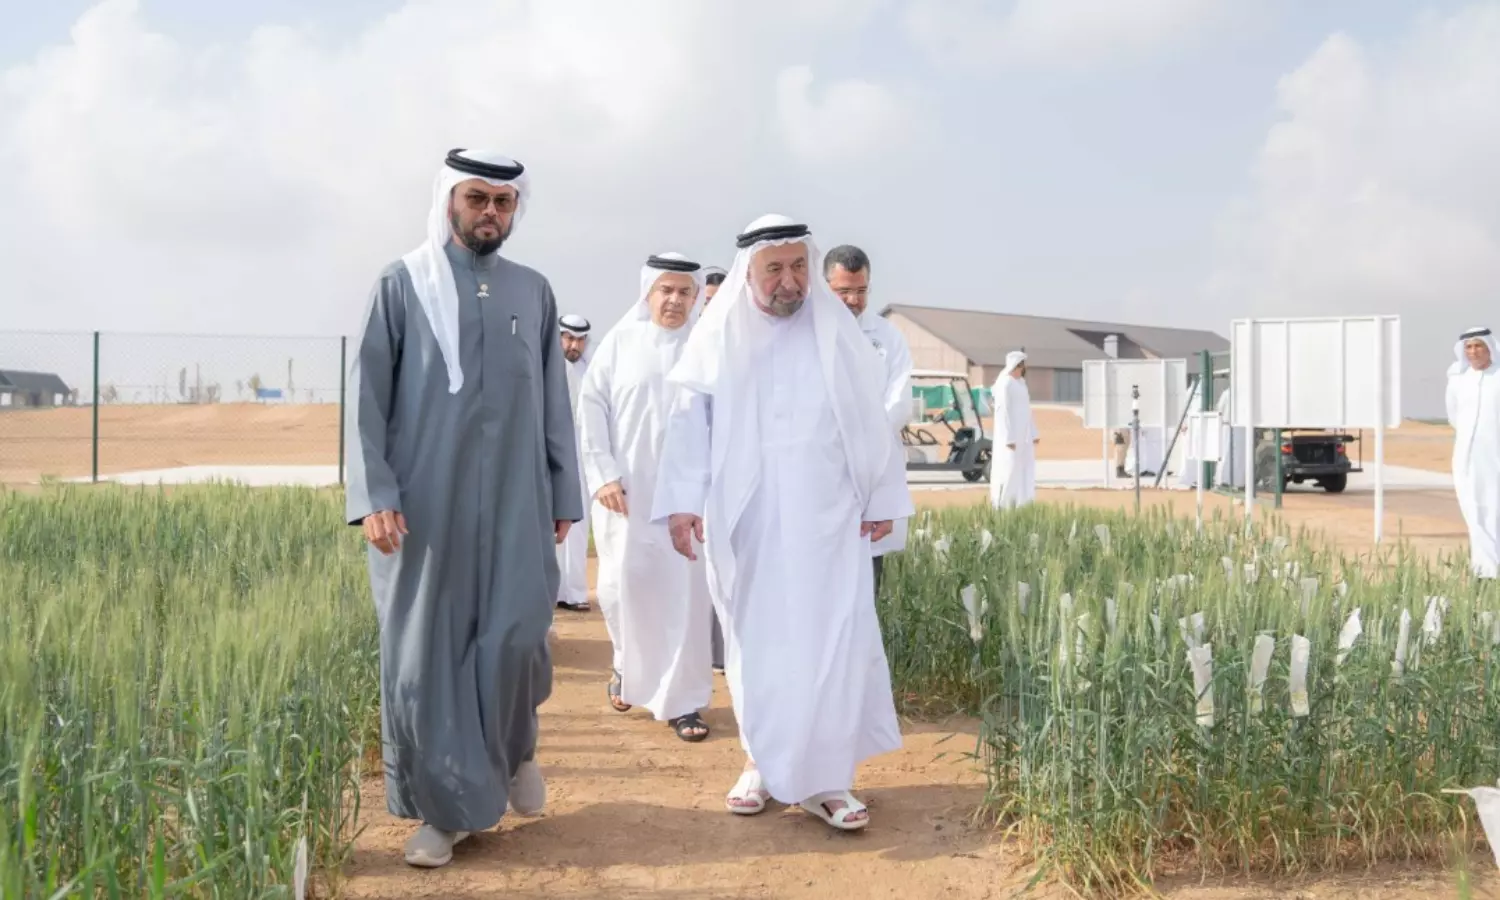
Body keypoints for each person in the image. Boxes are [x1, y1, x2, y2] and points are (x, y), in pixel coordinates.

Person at [345, 148, 583, 869]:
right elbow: (367, 398)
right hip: (425, 504)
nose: (490, 212)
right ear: (450, 200)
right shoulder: (402, 284)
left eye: (502, 202)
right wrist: (375, 495)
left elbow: (554, 400)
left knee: (518, 636)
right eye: (477, 198)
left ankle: (515, 751)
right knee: (430, 659)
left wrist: (563, 490)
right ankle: (443, 814)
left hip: (518, 497)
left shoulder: (532, 291)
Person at [653, 214, 914, 832]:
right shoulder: (718, 337)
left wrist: (882, 498)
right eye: (775, 268)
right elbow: (689, 424)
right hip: (748, 524)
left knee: (830, 644)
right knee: (758, 645)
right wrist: (683, 501)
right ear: (749, 272)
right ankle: (759, 765)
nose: (790, 279)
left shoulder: (838, 335)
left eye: (799, 265)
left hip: (829, 522)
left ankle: (827, 781)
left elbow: (872, 422)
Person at [577, 252, 715, 741]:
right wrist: (603, 475)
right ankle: (627, 667)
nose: (674, 300)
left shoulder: (707, 348)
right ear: (648, 293)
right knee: (621, 590)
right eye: (665, 290)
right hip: (627, 495)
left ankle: (684, 702)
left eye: (684, 291)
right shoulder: (620, 343)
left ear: (696, 298)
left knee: (685, 599)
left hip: (688, 499)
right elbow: (591, 408)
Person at [824, 243, 913, 595]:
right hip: (823, 475)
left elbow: (898, 403)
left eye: (861, 291)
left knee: (865, 589)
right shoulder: (806, 332)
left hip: (873, 477)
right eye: (843, 291)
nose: (853, 300)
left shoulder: (888, 338)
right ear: (825, 286)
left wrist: (863, 443)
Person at [1447, 326, 1500, 578]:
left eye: (1478, 345)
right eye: (1468, 346)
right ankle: (1484, 570)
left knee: (1494, 509)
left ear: (1490, 348)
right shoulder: (1458, 380)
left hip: (1495, 455)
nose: (1473, 351)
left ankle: (1491, 568)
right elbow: (1454, 416)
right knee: (1473, 510)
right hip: (1466, 456)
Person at [556, 313, 594, 614]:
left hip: (582, 457)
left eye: (580, 340)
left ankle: (575, 591)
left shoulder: (591, 371)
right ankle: (550, 590)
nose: (574, 345)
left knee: (578, 524)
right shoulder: (544, 368)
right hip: (550, 456)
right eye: (569, 338)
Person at [989, 350, 1039, 508]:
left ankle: (1023, 503)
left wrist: (1033, 432)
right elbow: (1003, 412)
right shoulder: (1006, 383)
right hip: (1010, 438)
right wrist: (1009, 438)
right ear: (1016, 366)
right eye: (1021, 366)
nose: (1023, 369)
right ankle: (1002, 505)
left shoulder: (1021, 384)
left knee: (1024, 469)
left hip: (1023, 437)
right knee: (1009, 470)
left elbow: (1027, 410)